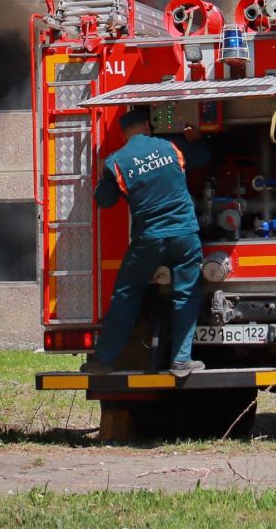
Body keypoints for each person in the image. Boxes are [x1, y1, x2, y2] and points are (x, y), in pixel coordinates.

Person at [81, 106, 208, 376]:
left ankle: (102, 361)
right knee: (186, 294)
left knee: (126, 295)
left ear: (124, 133)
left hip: (148, 240)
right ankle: (181, 361)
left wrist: (106, 179)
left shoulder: (117, 161)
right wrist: (195, 140)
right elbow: (203, 157)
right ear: (148, 127)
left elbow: (104, 201)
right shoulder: (171, 146)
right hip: (184, 236)